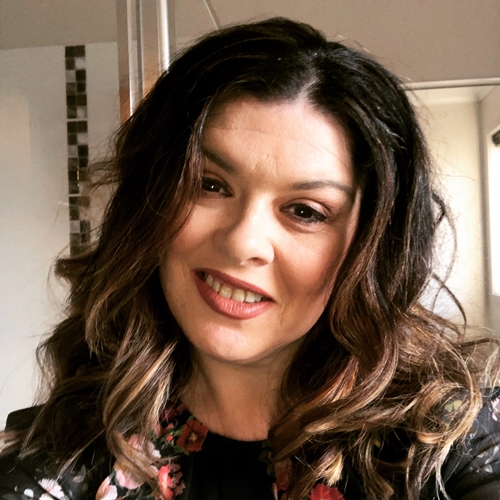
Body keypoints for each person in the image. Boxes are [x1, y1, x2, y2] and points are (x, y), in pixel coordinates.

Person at [1, 17, 499, 500]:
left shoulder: (448, 438)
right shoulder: (61, 449)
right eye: (209, 184)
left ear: (370, 247)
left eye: (305, 211)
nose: (242, 242)